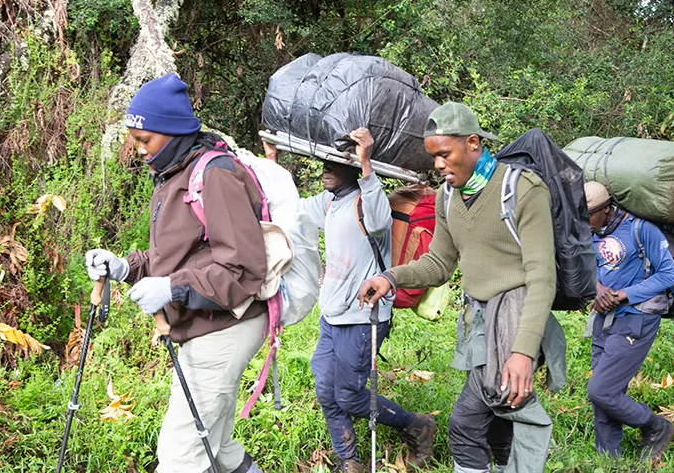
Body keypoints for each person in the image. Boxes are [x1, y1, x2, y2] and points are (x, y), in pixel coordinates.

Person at [358, 102, 560, 473]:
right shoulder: (447, 198)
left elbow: (542, 276)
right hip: (479, 324)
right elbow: (438, 264)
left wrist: (523, 352)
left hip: (516, 319)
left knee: (466, 425)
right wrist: (390, 278)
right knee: (499, 425)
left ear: (472, 143)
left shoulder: (522, 190)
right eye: (433, 156)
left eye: (445, 154)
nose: (438, 164)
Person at [85, 73, 267, 473]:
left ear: (172, 132)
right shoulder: (174, 175)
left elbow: (243, 269)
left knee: (181, 456)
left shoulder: (215, 174)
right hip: (205, 325)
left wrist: (173, 289)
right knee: (216, 445)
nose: (138, 150)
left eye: (144, 140)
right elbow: (175, 255)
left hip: (225, 328)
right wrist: (123, 267)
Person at [263, 131, 436, 473]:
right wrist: (272, 160)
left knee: (352, 395)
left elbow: (378, 220)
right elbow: (283, 206)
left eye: (336, 163)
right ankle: (349, 461)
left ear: (353, 168)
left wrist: (367, 160)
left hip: (363, 316)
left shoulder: (368, 202)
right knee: (327, 389)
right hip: (332, 315)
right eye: (324, 161)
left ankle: (417, 425)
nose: (326, 168)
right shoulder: (328, 202)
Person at [584, 181, 674, 461]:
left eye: (587, 215)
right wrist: (598, 288)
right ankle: (608, 458)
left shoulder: (640, 229)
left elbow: (668, 275)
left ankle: (656, 427)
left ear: (606, 209)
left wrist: (625, 294)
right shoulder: (592, 230)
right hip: (604, 317)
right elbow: (591, 264)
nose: (582, 222)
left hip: (637, 318)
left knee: (600, 390)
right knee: (605, 391)